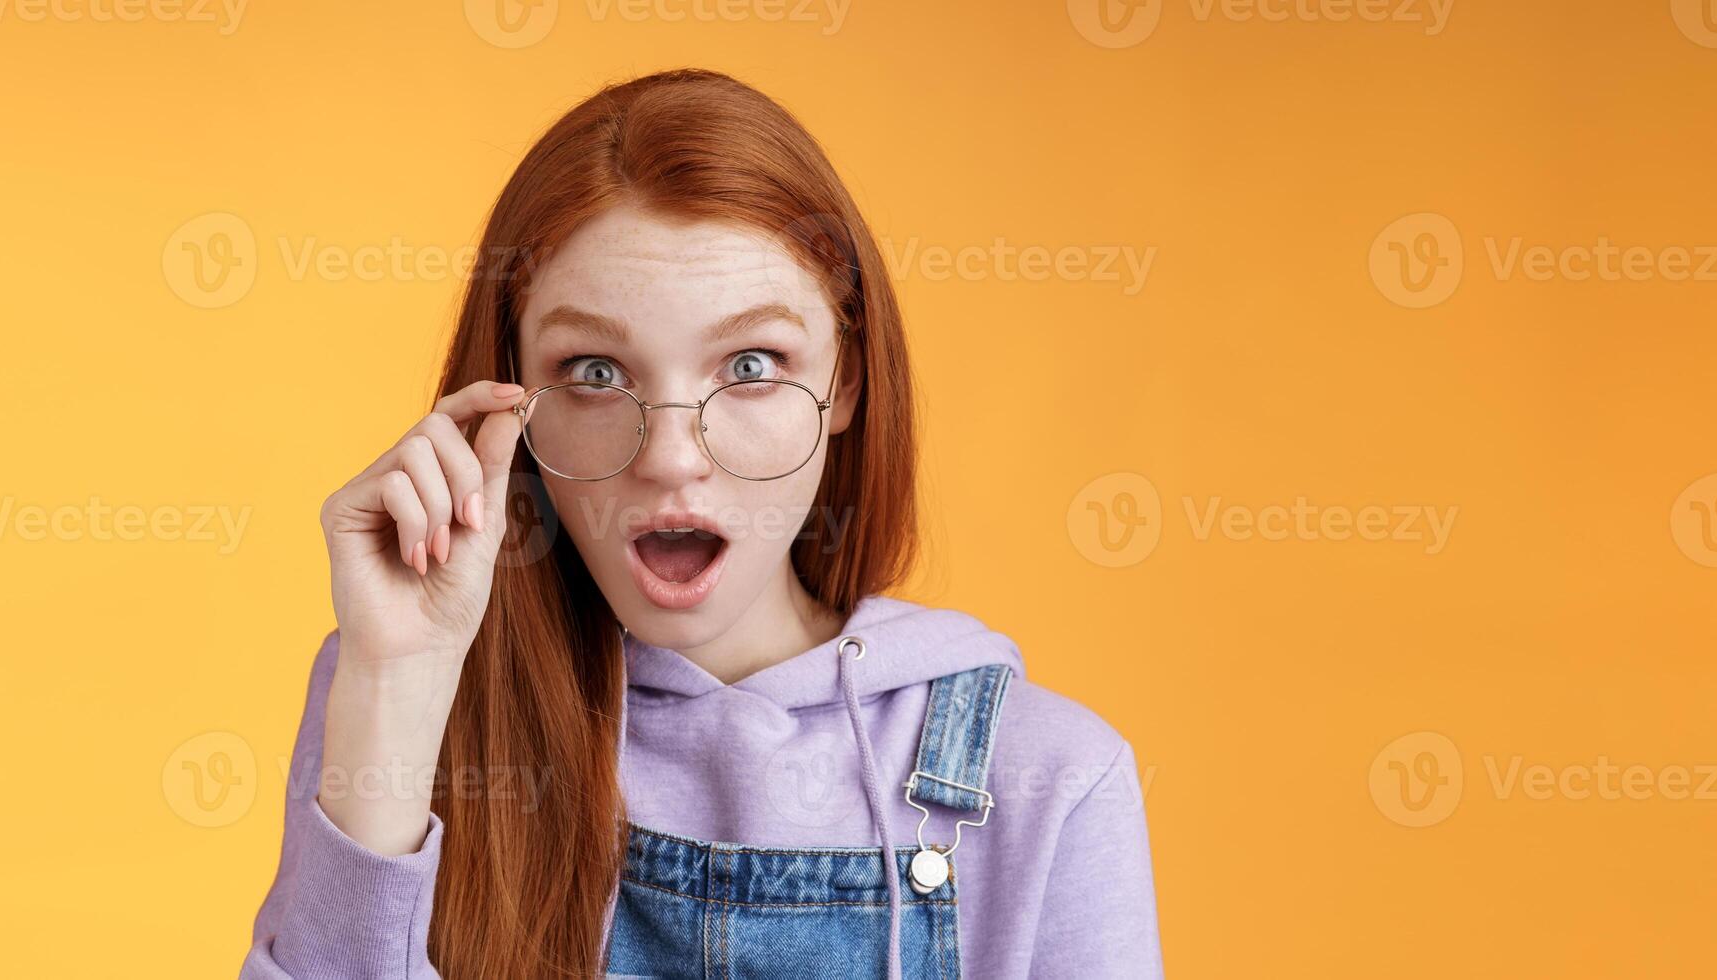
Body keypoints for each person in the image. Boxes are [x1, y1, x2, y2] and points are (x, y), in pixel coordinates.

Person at [240, 68, 1163, 979]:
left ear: (844, 382)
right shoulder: (405, 700)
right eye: (596, 371)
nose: (672, 457)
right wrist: (394, 689)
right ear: (509, 400)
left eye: (751, 363)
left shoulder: (1051, 782)